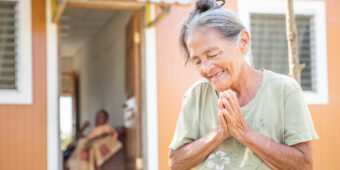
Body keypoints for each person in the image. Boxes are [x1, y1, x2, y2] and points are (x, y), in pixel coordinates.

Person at [168, 0, 319, 169]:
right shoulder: (196, 95)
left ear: (243, 42)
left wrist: (243, 133)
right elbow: (176, 163)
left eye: (213, 54)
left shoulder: (284, 90)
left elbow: (304, 165)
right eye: (197, 61)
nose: (206, 68)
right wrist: (219, 133)